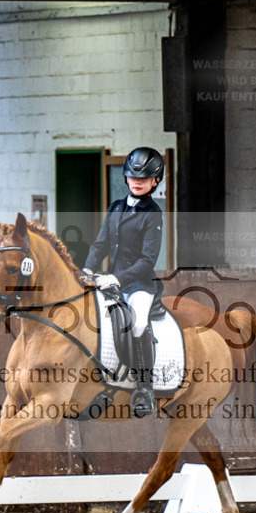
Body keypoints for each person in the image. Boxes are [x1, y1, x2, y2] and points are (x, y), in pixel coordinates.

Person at [83, 147, 165, 417]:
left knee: (138, 323)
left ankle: (145, 389)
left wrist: (115, 277)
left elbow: (147, 261)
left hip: (138, 285)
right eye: (133, 177)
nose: (137, 181)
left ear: (155, 181)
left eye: (144, 178)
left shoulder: (152, 214)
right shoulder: (116, 207)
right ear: (126, 178)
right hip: (109, 281)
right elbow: (101, 243)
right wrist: (88, 268)